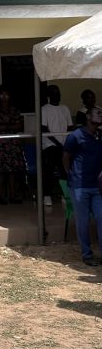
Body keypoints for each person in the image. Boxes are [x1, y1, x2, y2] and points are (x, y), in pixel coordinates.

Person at [62, 106, 102, 266]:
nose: (101, 116)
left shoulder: (100, 136)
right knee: (83, 222)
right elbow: (65, 157)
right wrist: (71, 175)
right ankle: (87, 255)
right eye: (98, 113)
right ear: (88, 116)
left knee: (101, 218)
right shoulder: (75, 136)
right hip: (79, 186)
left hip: (98, 187)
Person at [0, 86, 28, 205]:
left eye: (6, 94)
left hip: (13, 144)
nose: (4, 97)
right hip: (0, 144)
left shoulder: (15, 110)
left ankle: (12, 195)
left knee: (13, 171)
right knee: (1, 171)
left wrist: (4, 126)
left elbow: (20, 126)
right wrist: (10, 125)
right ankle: (1, 196)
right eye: (2, 94)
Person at [41, 85, 73, 208]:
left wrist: (65, 142)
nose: (57, 94)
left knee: (65, 170)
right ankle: (47, 195)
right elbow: (44, 128)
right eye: (54, 92)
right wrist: (58, 143)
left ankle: (66, 194)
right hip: (49, 145)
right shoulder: (44, 109)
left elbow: (70, 126)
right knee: (49, 170)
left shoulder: (65, 108)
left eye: (58, 92)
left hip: (64, 145)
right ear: (49, 95)